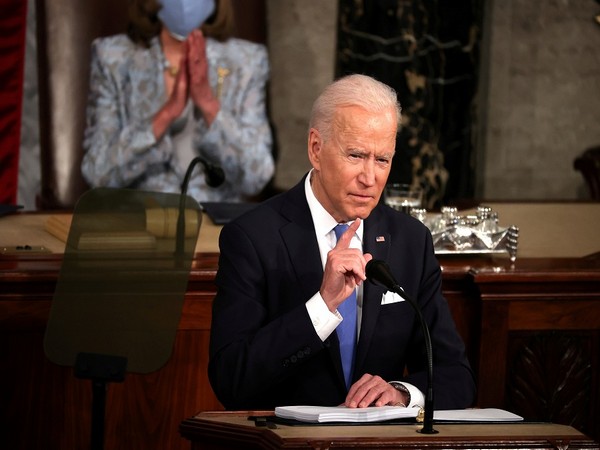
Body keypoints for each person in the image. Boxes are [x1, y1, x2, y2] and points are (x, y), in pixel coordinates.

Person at [208, 74, 476, 411]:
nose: (370, 178)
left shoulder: (411, 241)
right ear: (316, 149)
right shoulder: (252, 238)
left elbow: (457, 377)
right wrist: (322, 306)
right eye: (355, 156)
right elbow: (231, 379)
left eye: (382, 160)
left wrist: (402, 393)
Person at [81, 0, 274, 203]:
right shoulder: (112, 58)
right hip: (141, 223)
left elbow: (258, 175)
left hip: (217, 227)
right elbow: (97, 174)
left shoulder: (247, 61)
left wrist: (209, 106)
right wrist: (165, 115)